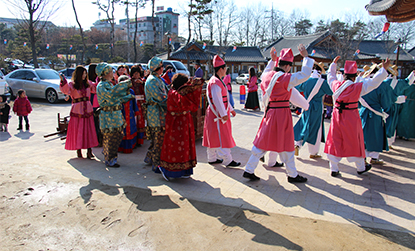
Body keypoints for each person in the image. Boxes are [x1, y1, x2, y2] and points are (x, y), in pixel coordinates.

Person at [243, 44, 313, 182]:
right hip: (282, 114)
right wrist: (306, 57)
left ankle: (249, 169)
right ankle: (292, 174)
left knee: (261, 142)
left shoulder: (266, 75)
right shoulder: (285, 78)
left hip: (270, 113)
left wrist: (272, 59)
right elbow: (305, 74)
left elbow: (268, 69)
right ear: (288, 66)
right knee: (286, 144)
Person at [324, 56, 390, 177]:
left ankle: (334, 168)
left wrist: (333, 65)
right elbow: (374, 83)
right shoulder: (358, 87)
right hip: (351, 116)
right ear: (354, 76)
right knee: (354, 141)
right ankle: (361, 167)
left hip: (337, 116)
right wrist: (383, 69)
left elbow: (330, 77)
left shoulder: (336, 86)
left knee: (335, 140)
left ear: (344, 75)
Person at [159, 74, 203, 180]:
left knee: (185, 147)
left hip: (184, 121)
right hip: (175, 123)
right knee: (174, 147)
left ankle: (184, 170)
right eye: (185, 84)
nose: (187, 86)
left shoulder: (178, 93)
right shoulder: (173, 93)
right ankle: (167, 171)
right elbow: (188, 104)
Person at [358, 64, 400, 165]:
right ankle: (374, 157)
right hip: (376, 112)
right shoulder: (382, 85)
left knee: (362, 134)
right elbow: (386, 102)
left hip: (363, 111)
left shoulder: (363, 82)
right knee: (376, 134)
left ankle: (362, 157)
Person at [202, 55, 241, 167]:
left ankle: (212, 158)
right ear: (220, 69)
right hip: (218, 114)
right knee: (221, 136)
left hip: (215, 113)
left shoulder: (217, 81)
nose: (225, 71)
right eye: (225, 69)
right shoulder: (215, 82)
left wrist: (231, 109)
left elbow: (223, 99)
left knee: (213, 135)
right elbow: (217, 100)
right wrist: (224, 114)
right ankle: (227, 159)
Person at [96, 63, 135, 167]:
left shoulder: (108, 84)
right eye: (110, 72)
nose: (112, 73)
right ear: (105, 74)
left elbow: (116, 97)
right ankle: (110, 159)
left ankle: (109, 155)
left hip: (115, 115)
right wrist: (126, 84)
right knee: (112, 137)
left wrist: (128, 97)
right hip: (109, 116)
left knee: (117, 135)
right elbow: (112, 95)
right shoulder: (102, 86)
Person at [294, 62, 333, 158]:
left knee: (304, 125)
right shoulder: (322, 82)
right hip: (317, 108)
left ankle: (297, 144)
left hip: (306, 105)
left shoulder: (306, 80)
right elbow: (331, 91)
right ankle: (313, 152)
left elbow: (297, 87)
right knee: (316, 129)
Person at [59, 66, 99, 158]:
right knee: (78, 129)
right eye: (83, 73)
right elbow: (65, 90)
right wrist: (62, 81)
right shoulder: (72, 84)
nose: (85, 75)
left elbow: (96, 88)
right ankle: (79, 150)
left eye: (86, 74)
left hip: (88, 108)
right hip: (77, 109)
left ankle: (89, 151)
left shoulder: (89, 83)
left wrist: (101, 79)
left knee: (89, 129)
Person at [144, 57, 169, 172]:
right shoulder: (152, 80)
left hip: (159, 111)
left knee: (156, 139)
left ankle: (149, 158)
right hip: (155, 112)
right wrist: (172, 102)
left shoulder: (157, 79)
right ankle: (156, 164)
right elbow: (160, 97)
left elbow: (166, 91)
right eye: (161, 67)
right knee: (158, 138)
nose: (163, 69)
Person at [384, 69, 415, 146]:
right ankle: (388, 143)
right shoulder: (398, 83)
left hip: (382, 105)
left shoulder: (381, 82)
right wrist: (412, 74)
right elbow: (407, 82)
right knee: (391, 124)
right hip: (393, 106)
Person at [118, 75, 139, 153]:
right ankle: (121, 147)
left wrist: (136, 111)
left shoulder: (131, 91)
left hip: (130, 115)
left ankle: (130, 146)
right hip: (121, 115)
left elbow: (134, 103)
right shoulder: (118, 93)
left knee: (130, 129)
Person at [130, 65, 146, 146]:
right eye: (134, 73)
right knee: (134, 121)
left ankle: (139, 140)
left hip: (140, 104)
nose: (136, 75)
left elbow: (145, 93)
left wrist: (142, 84)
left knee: (140, 121)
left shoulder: (143, 82)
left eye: (138, 73)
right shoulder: (129, 82)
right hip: (132, 104)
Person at [88, 63, 103, 147]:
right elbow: (95, 89)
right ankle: (96, 141)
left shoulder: (98, 81)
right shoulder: (90, 82)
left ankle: (99, 140)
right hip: (93, 105)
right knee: (94, 125)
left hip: (99, 104)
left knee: (99, 124)